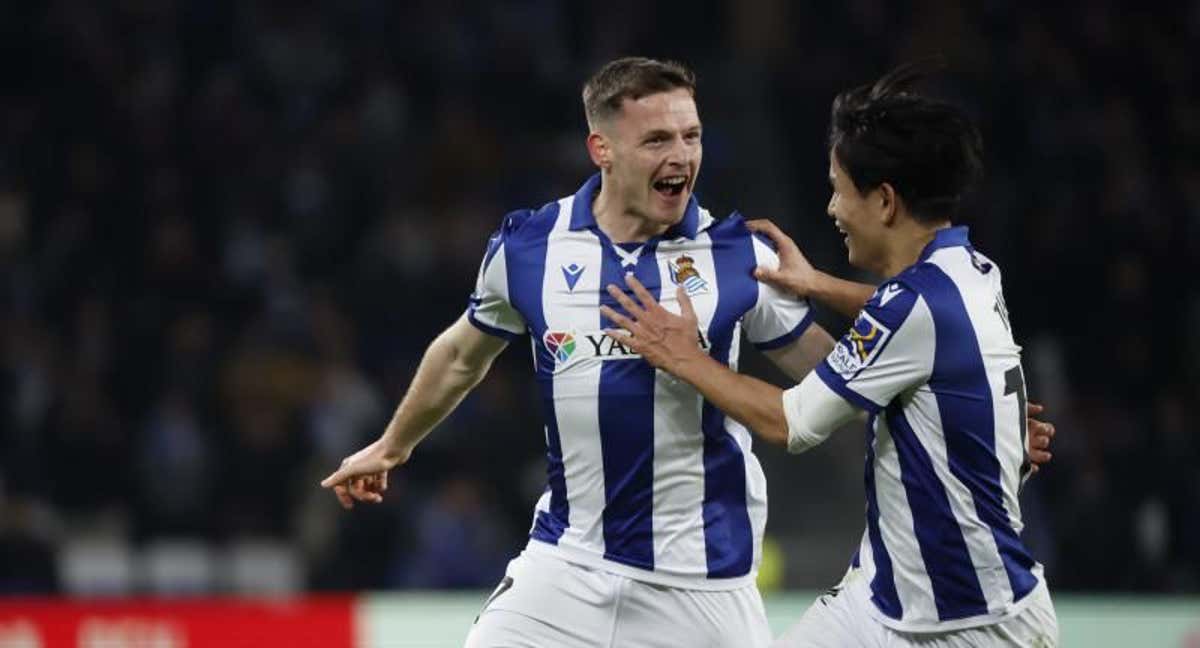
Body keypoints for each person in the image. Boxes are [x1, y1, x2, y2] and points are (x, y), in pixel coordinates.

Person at [321, 57, 1054, 648]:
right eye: (659, 140)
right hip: (569, 564)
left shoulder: (737, 256)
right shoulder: (528, 248)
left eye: (692, 136)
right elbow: (460, 355)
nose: (682, 155)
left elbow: (834, 378)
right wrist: (392, 445)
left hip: (705, 583)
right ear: (602, 149)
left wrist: (973, 422)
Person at [600, 61, 1058, 647]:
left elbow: (790, 422)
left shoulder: (913, 310)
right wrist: (817, 284)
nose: (832, 209)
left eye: (840, 190)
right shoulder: (969, 270)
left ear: (885, 202)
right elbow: (915, 318)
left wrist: (685, 356)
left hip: (975, 625)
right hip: (881, 600)